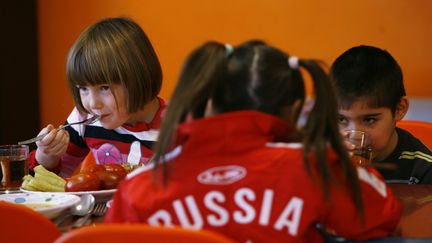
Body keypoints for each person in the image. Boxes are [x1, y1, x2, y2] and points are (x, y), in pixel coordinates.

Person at [105, 40, 401, 242]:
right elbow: (382, 215)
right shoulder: (316, 165)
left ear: (211, 102)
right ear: (295, 109)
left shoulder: (139, 186)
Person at [28, 17, 165, 177]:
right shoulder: (85, 119)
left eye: (104, 88)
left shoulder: (178, 125)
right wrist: (47, 155)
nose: (93, 104)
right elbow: (51, 183)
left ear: (139, 77)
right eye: (83, 88)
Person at [330, 45, 432, 184]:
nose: (354, 136)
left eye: (369, 120)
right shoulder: (326, 159)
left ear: (399, 109)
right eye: (341, 119)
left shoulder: (423, 170)